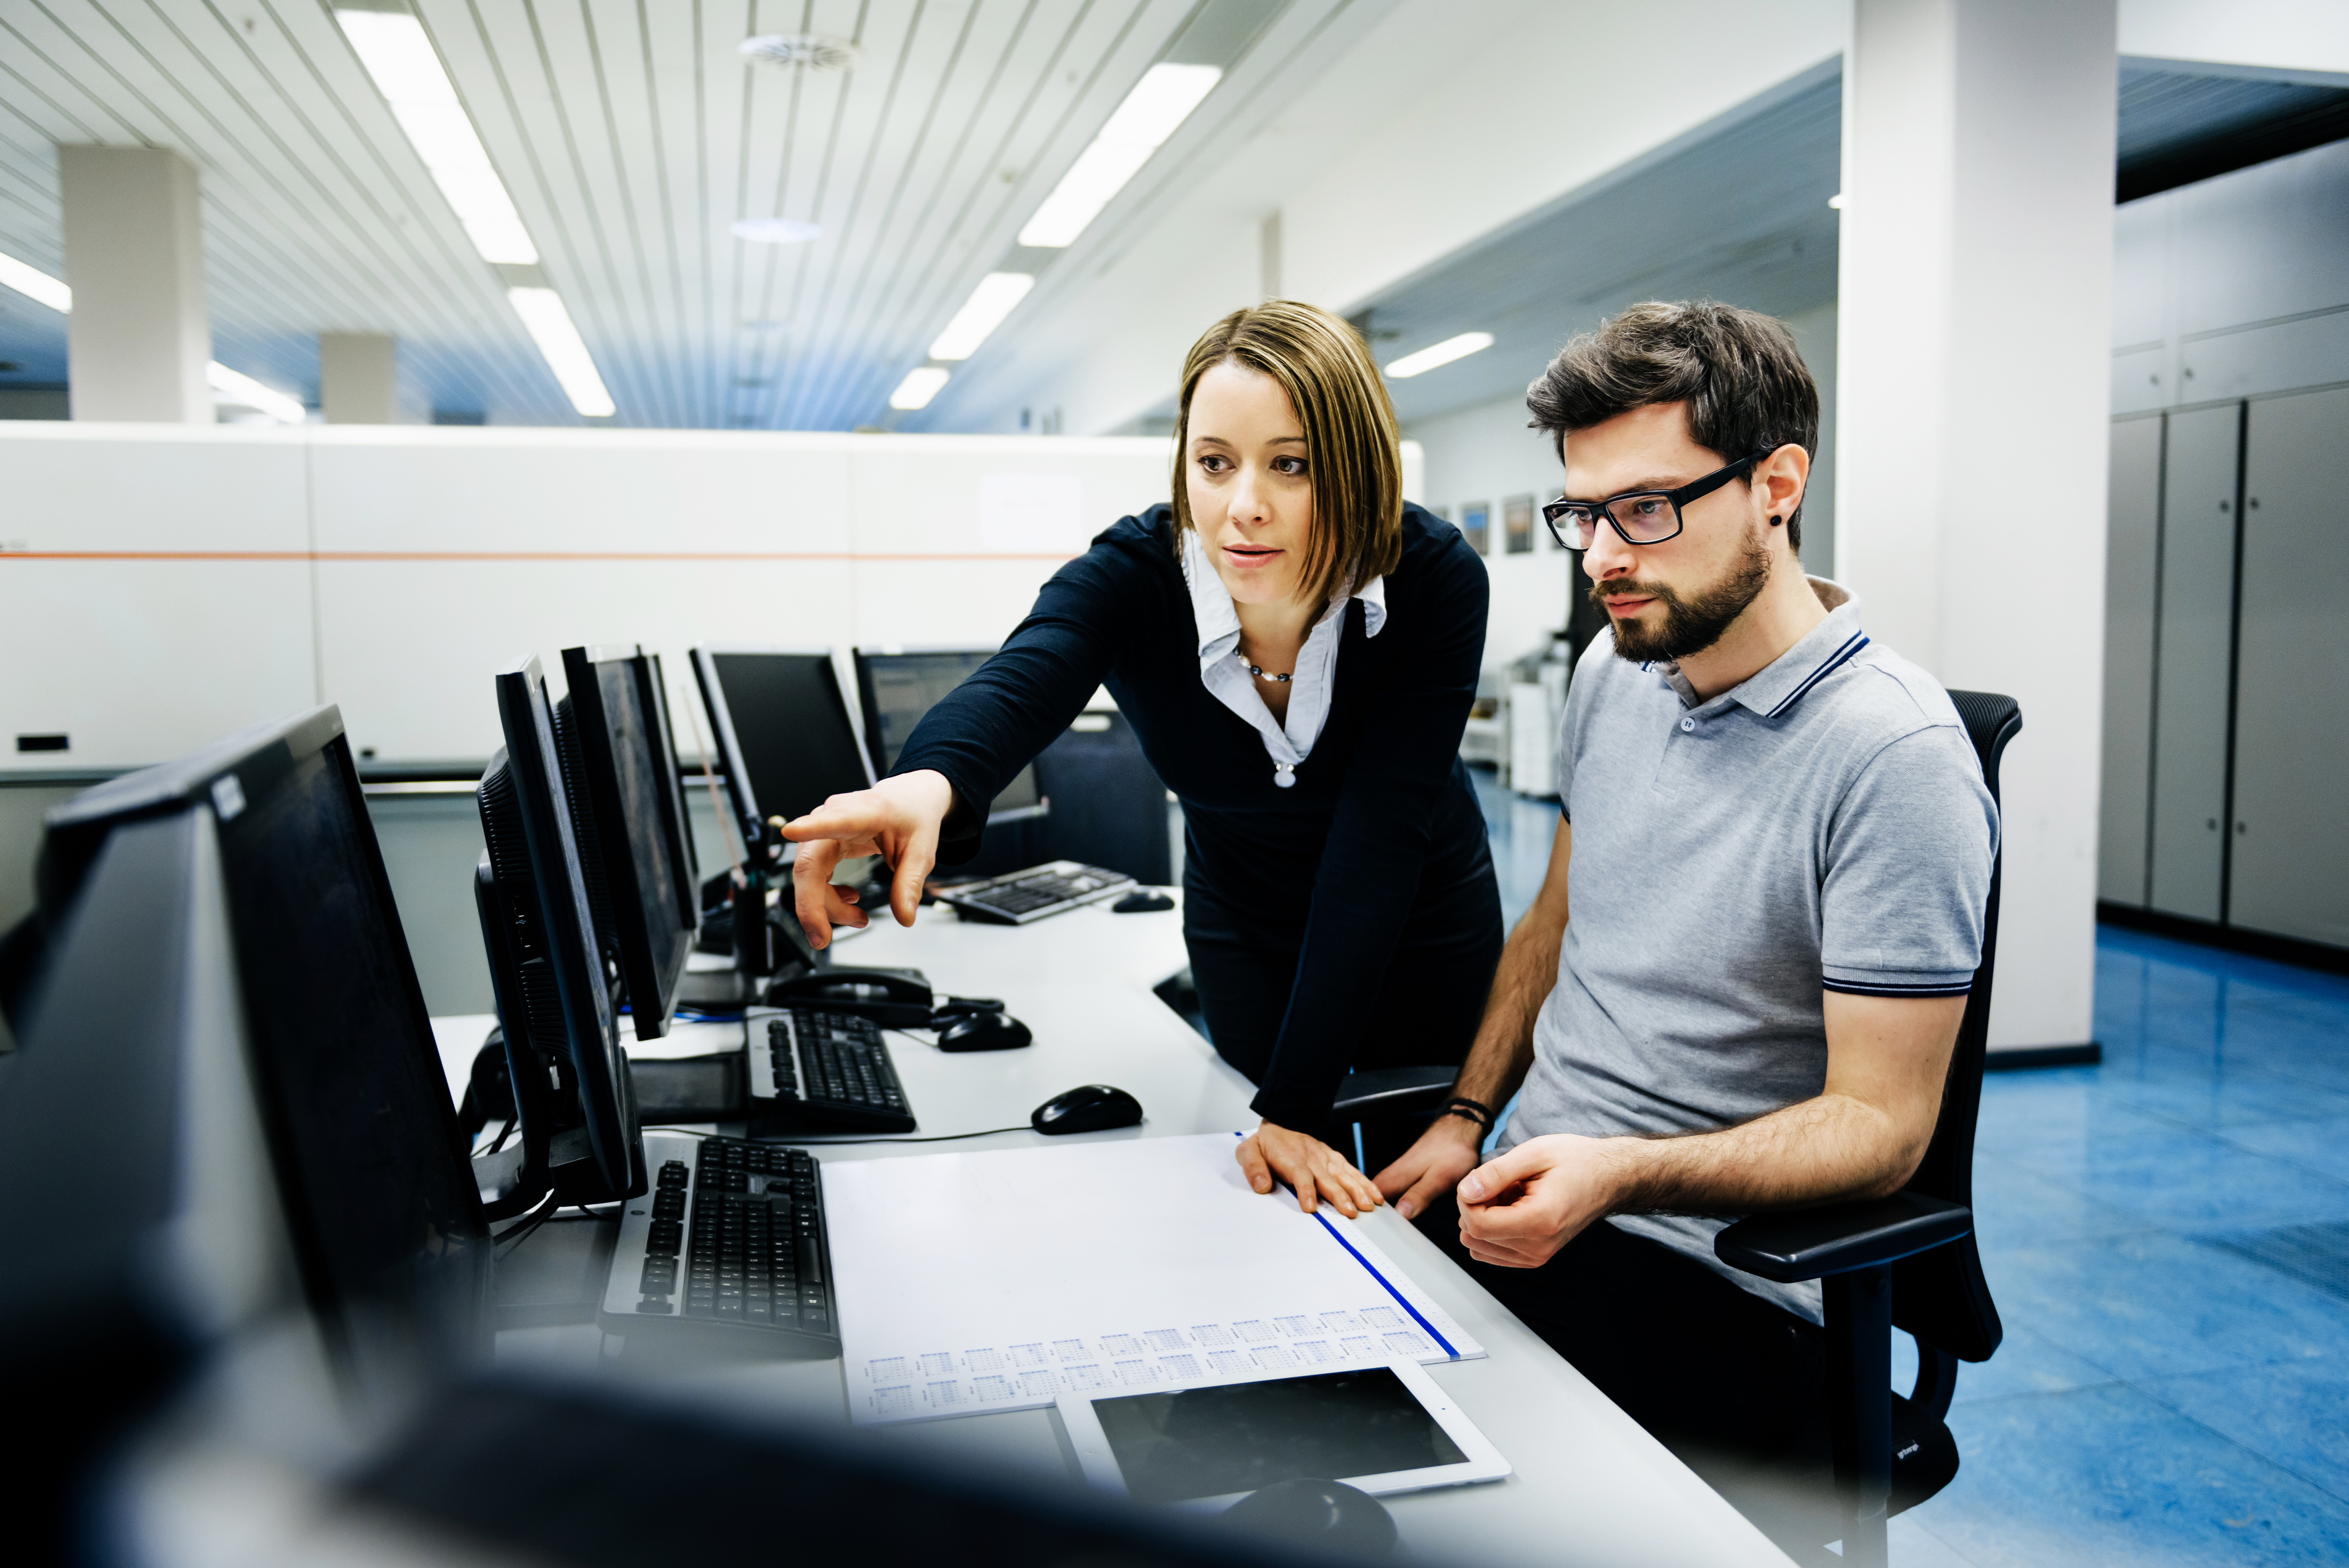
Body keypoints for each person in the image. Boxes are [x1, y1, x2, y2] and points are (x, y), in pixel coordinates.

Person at [1372, 301, 1996, 1480]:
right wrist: (1463, 1119)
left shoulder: (1893, 756)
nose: (1603, 557)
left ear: (1776, 483)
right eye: (1582, 514)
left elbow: (1881, 1127)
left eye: (1646, 510)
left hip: (1727, 1280)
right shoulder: (1618, 667)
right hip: (1537, 1210)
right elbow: (1556, 923)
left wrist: (1617, 1169)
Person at [783, 301, 1503, 1215]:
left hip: (1414, 919)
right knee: (1272, 1192)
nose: (1241, 505)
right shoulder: (1135, 574)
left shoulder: (1432, 579)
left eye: (1291, 465)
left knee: (1414, 1195)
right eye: (1214, 463)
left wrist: (1297, 1103)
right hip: (1242, 918)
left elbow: (1379, 842)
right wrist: (926, 784)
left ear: (1355, 466)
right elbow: (1023, 675)